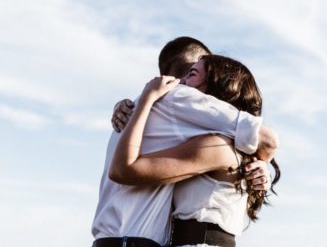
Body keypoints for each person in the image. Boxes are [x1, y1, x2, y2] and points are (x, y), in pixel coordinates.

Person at [91, 37, 278, 247]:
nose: (183, 85)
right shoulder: (177, 104)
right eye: (192, 72)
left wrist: (260, 162)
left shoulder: (217, 144)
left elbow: (267, 141)